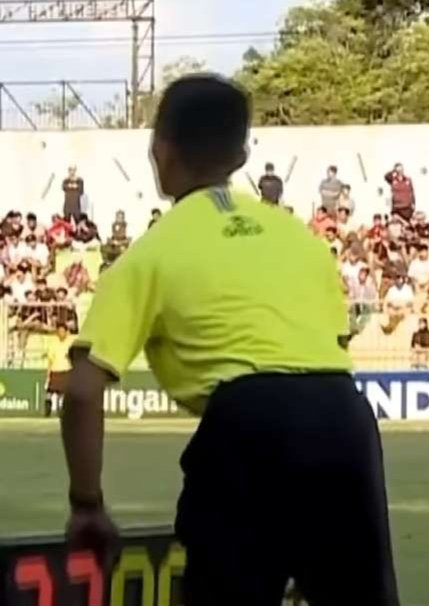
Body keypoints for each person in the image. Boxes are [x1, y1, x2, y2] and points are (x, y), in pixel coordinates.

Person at [60, 74, 398, 605]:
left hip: (247, 427)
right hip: (345, 421)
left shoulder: (148, 254)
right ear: (242, 155)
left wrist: (87, 505)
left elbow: (82, 390)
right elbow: (327, 344)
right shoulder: (301, 239)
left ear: (160, 152)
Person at [45, 323, 76, 418]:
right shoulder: (53, 343)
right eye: (59, 331)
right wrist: (48, 374)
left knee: (63, 394)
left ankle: (61, 411)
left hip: (66, 370)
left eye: (63, 331)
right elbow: (50, 359)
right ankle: (47, 409)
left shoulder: (70, 343)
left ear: (66, 332)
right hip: (55, 370)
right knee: (49, 392)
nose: (61, 333)